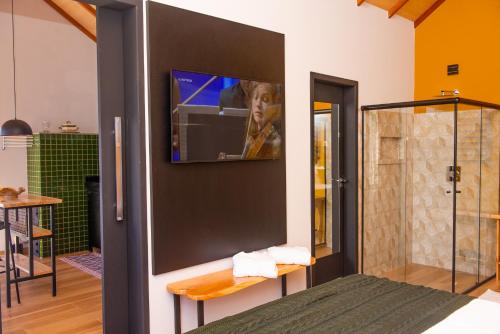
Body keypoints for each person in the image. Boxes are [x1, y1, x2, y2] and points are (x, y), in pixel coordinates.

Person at [241, 82, 282, 159]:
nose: (258, 104)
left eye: (265, 99)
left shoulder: (276, 142)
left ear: (274, 105)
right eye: (255, 98)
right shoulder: (251, 137)